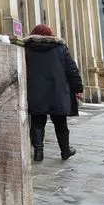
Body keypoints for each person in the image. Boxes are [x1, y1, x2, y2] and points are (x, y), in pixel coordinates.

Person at [24, 23, 84, 162]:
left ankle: (38, 153)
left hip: (35, 91)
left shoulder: (27, 48)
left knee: (38, 122)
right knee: (60, 123)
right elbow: (72, 70)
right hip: (57, 91)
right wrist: (78, 89)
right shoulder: (60, 49)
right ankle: (65, 150)